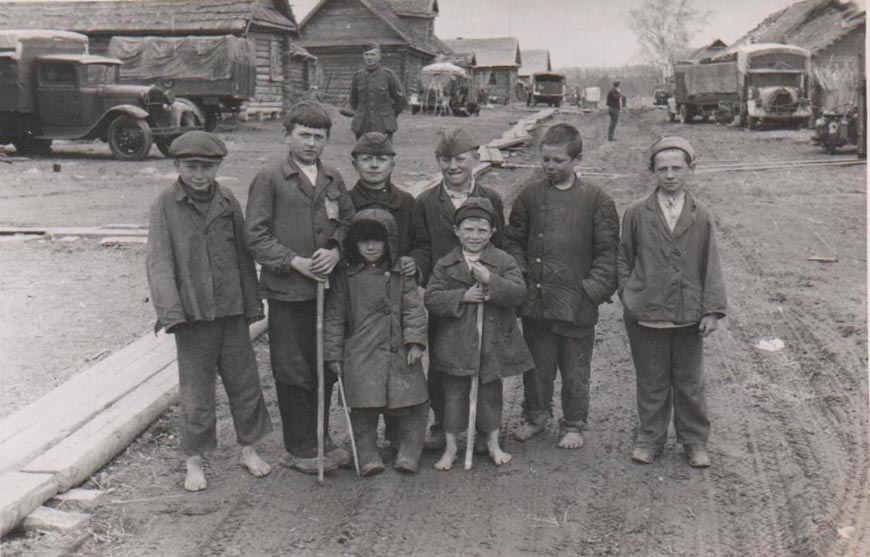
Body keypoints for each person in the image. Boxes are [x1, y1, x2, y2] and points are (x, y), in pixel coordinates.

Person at [145, 131, 272, 491]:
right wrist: (171, 313)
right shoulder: (165, 205)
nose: (199, 174)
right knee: (197, 393)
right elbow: (159, 262)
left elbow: (243, 256)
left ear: (218, 167)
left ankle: (249, 449)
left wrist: (251, 302)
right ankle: (195, 461)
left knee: (245, 384)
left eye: (208, 167)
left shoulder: (228, 200)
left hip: (231, 312)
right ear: (177, 166)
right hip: (192, 315)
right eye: (191, 167)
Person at [245, 101, 355, 473]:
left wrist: (336, 251)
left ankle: (321, 439)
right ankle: (300, 447)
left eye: (318, 137)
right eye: (303, 135)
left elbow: (348, 224)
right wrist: (295, 262)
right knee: (293, 369)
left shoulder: (333, 179)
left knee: (323, 365)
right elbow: (255, 236)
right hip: (288, 293)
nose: (311, 143)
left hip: (327, 290)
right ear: (287, 135)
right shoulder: (270, 178)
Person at [504, 123, 619, 449]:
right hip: (538, 302)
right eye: (546, 160)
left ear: (576, 159)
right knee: (537, 367)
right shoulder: (529, 196)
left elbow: (608, 254)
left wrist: (591, 292)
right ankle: (537, 416)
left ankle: (574, 422)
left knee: (575, 369)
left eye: (558, 161)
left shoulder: (596, 201)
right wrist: (523, 279)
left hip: (577, 304)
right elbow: (513, 241)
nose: (550, 167)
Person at [617, 136, 727, 468]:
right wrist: (630, 294)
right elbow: (624, 258)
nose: (669, 175)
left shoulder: (700, 214)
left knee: (689, 382)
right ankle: (650, 439)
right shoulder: (636, 212)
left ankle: (694, 441)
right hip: (646, 312)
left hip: (688, 313)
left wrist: (711, 310)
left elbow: (711, 262)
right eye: (662, 168)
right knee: (651, 381)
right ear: (653, 171)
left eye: (677, 168)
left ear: (689, 170)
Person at [409, 128, 506, 450]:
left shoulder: (491, 198)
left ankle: (483, 427)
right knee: (442, 362)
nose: (453, 166)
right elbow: (422, 245)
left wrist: (493, 279)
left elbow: (501, 245)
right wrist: (421, 272)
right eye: (446, 160)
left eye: (460, 159)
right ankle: (443, 424)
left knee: (485, 360)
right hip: (447, 298)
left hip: (483, 294)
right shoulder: (425, 201)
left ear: (476, 159)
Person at [424, 198, 533, 470]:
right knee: (454, 398)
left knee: (489, 397)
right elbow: (432, 298)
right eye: (469, 229)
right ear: (457, 231)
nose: (475, 236)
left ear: (493, 232)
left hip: (490, 344)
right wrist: (463, 296)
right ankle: (451, 449)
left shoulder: (503, 260)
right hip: (456, 344)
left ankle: (493, 445)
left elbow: (519, 293)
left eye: (482, 230)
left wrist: (489, 281)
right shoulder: (446, 264)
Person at [324, 209, 429, 476]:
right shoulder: (345, 277)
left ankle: (406, 448)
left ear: (390, 242)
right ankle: (367, 451)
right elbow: (335, 317)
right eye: (363, 241)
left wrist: (415, 340)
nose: (371, 247)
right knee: (364, 407)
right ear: (354, 244)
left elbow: (413, 308)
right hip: (361, 352)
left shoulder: (401, 274)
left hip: (399, 350)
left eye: (378, 240)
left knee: (406, 402)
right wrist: (334, 354)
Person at [349, 42, 407, 140]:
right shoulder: (358, 77)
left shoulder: (389, 76)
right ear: (363, 56)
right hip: (362, 126)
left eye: (373, 54)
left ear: (379, 57)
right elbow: (353, 101)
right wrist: (362, 114)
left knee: (384, 154)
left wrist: (388, 115)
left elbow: (401, 102)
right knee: (362, 153)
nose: (369, 58)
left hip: (383, 126)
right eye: (366, 55)